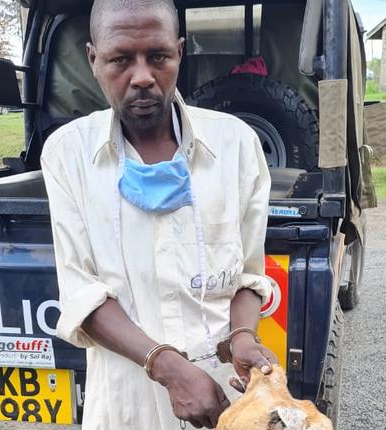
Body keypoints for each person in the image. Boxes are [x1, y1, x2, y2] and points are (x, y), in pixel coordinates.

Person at [41, 0, 278, 428]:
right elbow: (81, 292)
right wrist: (167, 368)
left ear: (180, 53)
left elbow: (247, 275)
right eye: (120, 59)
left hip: (223, 397)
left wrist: (242, 336)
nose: (143, 76)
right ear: (93, 60)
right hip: (124, 403)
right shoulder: (68, 153)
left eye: (158, 56)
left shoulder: (236, 145)